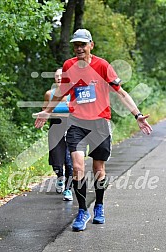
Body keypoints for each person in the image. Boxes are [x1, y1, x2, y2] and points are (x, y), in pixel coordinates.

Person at [34, 29, 152, 231]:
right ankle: (82, 211)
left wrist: (138, 115)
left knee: (99, 169)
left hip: (99, 124)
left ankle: (98, 205)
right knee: (78, 167)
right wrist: (47, 112)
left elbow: (121, 93)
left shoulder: (102, 65)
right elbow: (60, 93)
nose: (79, 48)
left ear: (91, 45)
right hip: (76, 123)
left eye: (83, 44)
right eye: (76, 45)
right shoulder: (69, 66)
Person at [42, 68, 73, 201]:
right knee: (57, 161)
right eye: (57, 76)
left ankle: (68, 189)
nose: (59, 78)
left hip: (71, 127)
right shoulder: (50, 94)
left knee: (70, 161)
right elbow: (44, 110)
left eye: (62, 76)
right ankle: (59, 177)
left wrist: (72, 106)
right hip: (55, 128)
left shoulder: (73, 93)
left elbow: (83, 110)